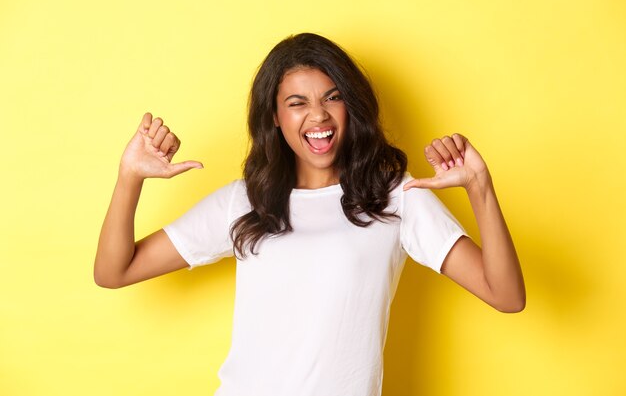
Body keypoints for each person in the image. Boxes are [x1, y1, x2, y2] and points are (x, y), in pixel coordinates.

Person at [94, 33, 525, 396]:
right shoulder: (244, 201)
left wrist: (479, 188)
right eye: (297, 102)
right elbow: (114, 270)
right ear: (276, 118)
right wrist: (129, 177)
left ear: (350, 107)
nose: (318, 115)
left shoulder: (395, 196)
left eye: (332, 97)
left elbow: (506, 296)